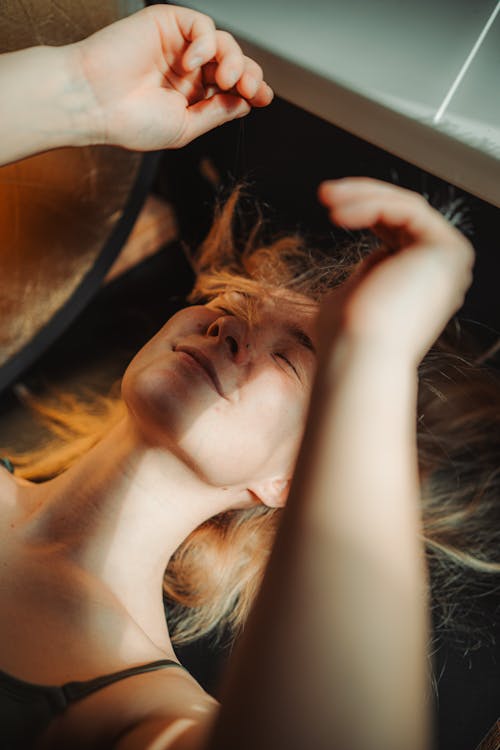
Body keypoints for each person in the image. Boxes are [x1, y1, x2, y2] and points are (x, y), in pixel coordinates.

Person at [0, 4, 498, 750]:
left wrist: (372, 357)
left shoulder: (146, 716)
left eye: (296, 356)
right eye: (227, 303)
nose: (230, 326)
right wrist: (73, 91)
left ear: (292, 483)